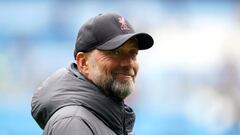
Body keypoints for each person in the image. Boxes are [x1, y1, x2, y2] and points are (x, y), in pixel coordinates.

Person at [31, 13, 154, 135]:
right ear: (83, 63)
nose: (128, 63)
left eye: (133, 53)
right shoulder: (73, 123)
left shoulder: (102, 120)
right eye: (115, 52)